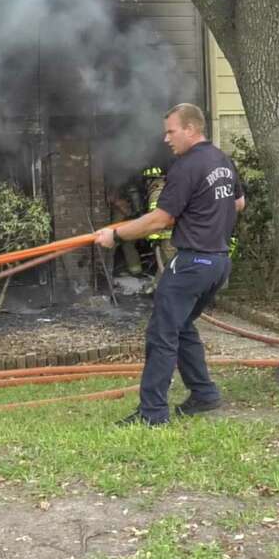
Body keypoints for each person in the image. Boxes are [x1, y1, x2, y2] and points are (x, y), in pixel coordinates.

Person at [95, 104, 246, 426]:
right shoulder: (222, 160)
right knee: (183, 326)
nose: (166, 139)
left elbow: (160, 219)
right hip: (218, 263)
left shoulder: (187, 166)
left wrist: (115, 234)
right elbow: (238, 202)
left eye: (171, 131)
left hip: (192, 262)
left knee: (161, 333)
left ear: (191, 129)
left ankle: (152, 413)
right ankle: (204, 394)